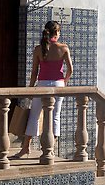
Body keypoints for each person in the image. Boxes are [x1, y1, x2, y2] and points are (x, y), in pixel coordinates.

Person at [11, 20, 73, 158]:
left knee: (34, 116)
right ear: (56, 33)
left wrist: (30, 89)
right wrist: (64, 82)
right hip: (58, 85)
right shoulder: (64, 48)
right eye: (59, 31)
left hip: (41, 85)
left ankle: (25, 148)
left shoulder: (38, 49)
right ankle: (49, 150)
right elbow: (70, 70)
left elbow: (34, 72)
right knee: (55, 117)